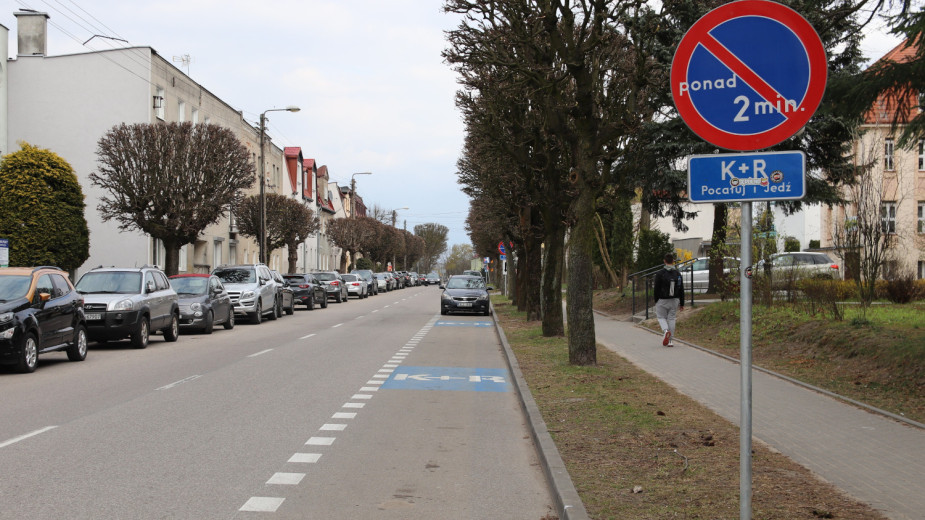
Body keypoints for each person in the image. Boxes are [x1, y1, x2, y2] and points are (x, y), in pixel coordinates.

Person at [653, 253, 684, 347]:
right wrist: (681, 303)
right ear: (673, 261)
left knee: (661, 317)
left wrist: (656, 300)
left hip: (662, 299)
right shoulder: (677, 273)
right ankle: (670, 341)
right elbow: (681, 288)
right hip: (674, 300)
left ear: (664, 261)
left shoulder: (660, 273)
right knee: (672, 318)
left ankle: (666, 331)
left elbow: (656, 288)